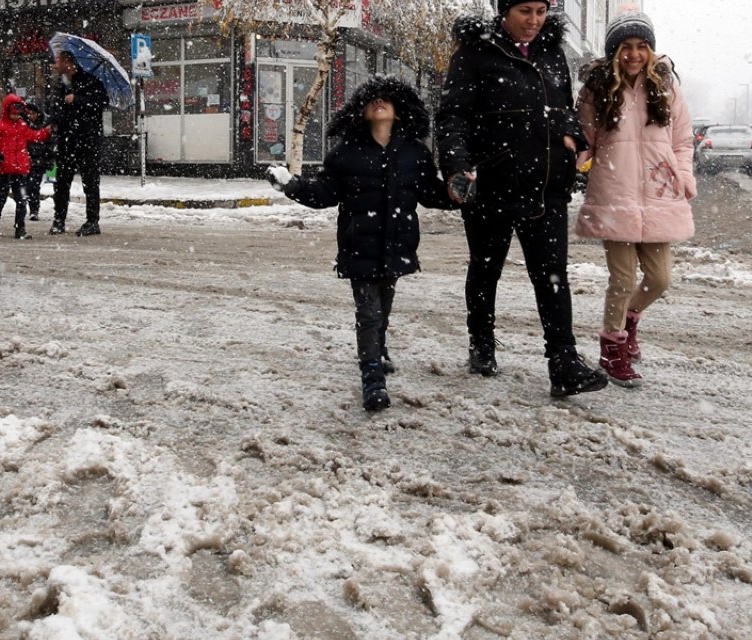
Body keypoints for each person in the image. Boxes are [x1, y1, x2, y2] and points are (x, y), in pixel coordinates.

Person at [436, 0, 608, 399]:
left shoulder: (552, 53)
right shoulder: (476, 52)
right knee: (486, 268)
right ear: (504, 11)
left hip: (545, 187)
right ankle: (481, 342)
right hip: (491, 184)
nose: (534, 21)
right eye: (524, 11)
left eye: (541, 12)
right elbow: (452, 116)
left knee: (552, 276)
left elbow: (561, 109)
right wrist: (457, 165)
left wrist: (571, 136)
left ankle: (563, 363)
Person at [266, 77, 455, 412]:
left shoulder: (414, 153)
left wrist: (461, 193)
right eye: (372, 99)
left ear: (400, 111)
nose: (379, 103)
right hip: (359, 247)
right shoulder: (346, 155)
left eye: (386, 99)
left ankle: (378, 348)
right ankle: (372, 377)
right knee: (368, 312)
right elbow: (325, 193)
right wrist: (292, 185)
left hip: (397, 245)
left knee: (384, 303)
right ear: (362, 111)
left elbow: (432, 194)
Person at [575, 11, 695, 388]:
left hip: (659, 193)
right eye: (626, 47)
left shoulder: (667, 88)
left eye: (641, 46)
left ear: (651, 50)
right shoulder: (596, 89)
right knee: (622, 278)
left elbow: (683, 141)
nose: (634, 54)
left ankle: (628, 323)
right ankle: (612, 350)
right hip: (615, 194)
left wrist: (684, 177)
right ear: (614, 51)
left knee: (660, 278)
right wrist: (573, 163)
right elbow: (585, 141)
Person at [48, 50, 108, 236]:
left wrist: (78, 100)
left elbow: (102, 103)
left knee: (90, 181)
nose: (55, 63)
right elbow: (56, 109)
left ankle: (92, 221)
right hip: (66, 140)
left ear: (68, 61)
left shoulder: (90, 81)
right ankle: (59, 220)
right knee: (61, 181)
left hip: (87, 139)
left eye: (58, 60)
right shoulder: (61, 85)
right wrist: (53, 122)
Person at [0, 94, 51, 240]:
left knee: (21, 200)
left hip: (19, 170)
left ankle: (20, 228)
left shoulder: (21, 125)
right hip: (5, 169)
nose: (15, 116)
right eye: (13, 113)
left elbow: (34, 136)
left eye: (17, 113)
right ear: (7, 110)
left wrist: (46, 132)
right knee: (1, 198)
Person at [21, 99, 55, 222]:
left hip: (38, 161)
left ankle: (34, 210)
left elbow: (49, 144)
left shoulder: (43, 125)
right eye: (29, 114)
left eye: (33, 113)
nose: (31, 116)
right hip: (26, 160)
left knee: (33, 186)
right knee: (27, 186)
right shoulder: (23, 125)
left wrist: (48, 159)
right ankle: (29, 209)